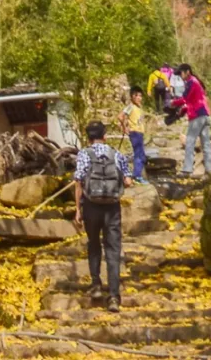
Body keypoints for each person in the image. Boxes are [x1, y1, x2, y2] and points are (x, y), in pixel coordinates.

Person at [74, 121, 132, 310]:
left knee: (93, 243)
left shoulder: (84, 154)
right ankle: (114, 297)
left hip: (91, 206)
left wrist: (77, 209)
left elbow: (78, 182)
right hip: (112, 207)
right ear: (104, 136)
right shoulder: (116, 154)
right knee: (113, 250)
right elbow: (128, 181)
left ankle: (96, 285)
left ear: (88, 137)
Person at [175, 64, 211, 176]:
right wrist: (184, 110)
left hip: (197, 116)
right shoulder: (197, 82)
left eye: (181, 73)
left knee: (190, 142)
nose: (180, 76)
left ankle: (187, 169)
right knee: (206, 143)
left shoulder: (191, 82)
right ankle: (210, 169)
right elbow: (194, 100)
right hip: (205, 115)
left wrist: (172, 103)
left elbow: (185, 98)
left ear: (187, 71)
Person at [121, 86, 147, 182]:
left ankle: (137, 174)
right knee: (138, 154)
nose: (139, 98)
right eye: (137, 96)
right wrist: (124, 127)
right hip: (135, 132)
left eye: (140, 96)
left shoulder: (138, 108)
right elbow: (121, 116)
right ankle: (137, 176)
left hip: (139, 133)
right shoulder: (130, 107)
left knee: (141, 154)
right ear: (132, 97)